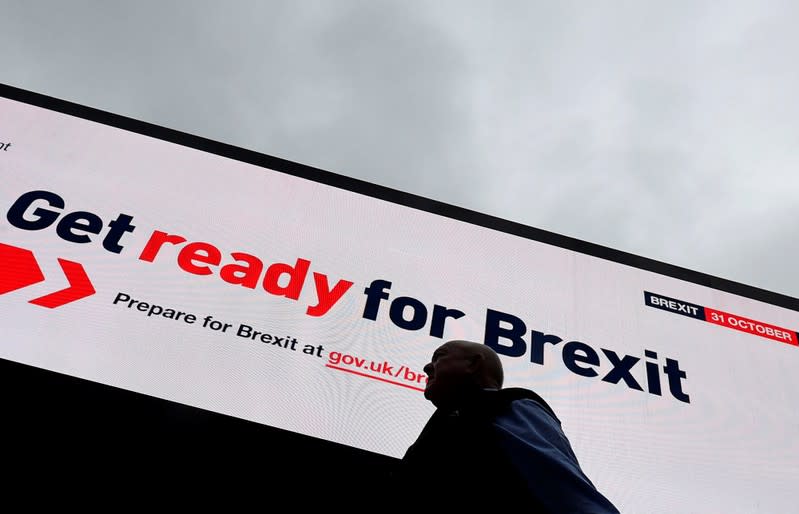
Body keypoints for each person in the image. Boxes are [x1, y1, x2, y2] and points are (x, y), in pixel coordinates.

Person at [394, 340, 620, 512]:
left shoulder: (510, 406)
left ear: (473, 364)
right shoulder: (445, 423)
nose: (426, 367)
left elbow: (562, 486)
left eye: (438, 358)